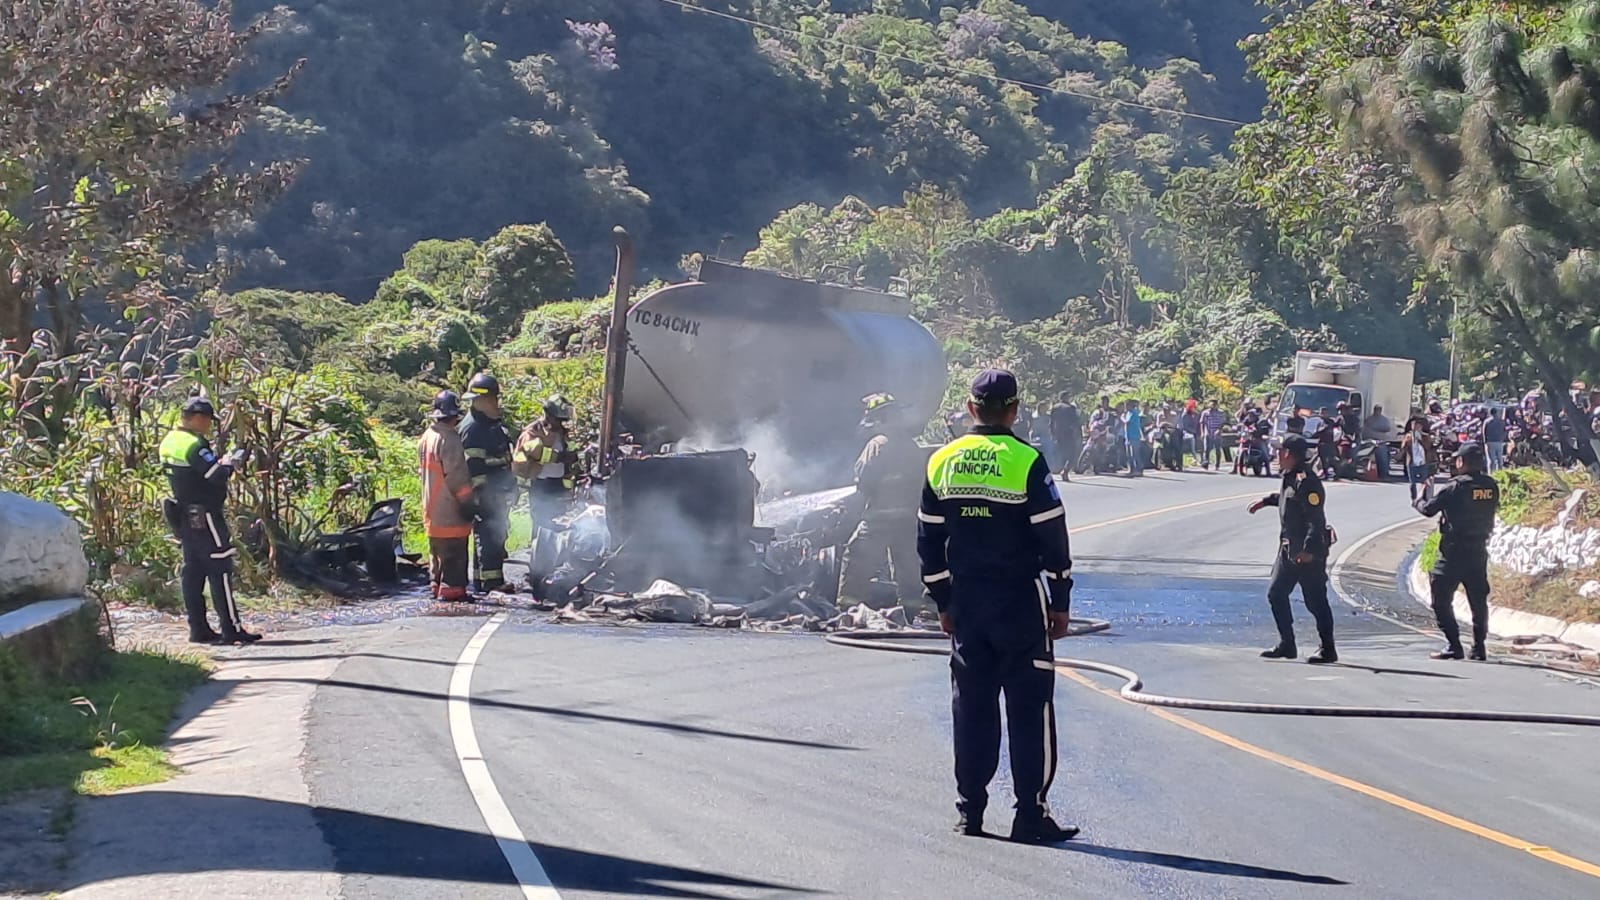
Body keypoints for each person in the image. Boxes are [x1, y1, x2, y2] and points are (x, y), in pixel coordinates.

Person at [918, 369, 1078, 844]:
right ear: (1014, 410)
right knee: (1030, 708)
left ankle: (970, 812)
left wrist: (943, 600)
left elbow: (928, 541)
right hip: (1018, 602)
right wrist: (1061, 599)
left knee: (972, 708)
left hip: (967, 603)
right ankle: (1029, 814)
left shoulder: (942, 461)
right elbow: (1052, 536)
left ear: (970, 409)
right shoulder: (1027, 461)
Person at [159, 396, 261, 645]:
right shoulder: (194, 445)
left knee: (193, 572)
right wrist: (230, 463)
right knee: (220, 569)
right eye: (207, 421)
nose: (209, 426)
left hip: (182, 515)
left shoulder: (169, 441)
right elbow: (215, 475)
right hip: (205, 516)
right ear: (197, 418)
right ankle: (231, 629)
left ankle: (199, 629)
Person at [1247, 435, 1336, 663]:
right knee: (1276, 594)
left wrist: (1308, 551)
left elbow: (1315, 519)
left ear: (1288, 454)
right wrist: (1266, 501)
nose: (1276, 455)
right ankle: (1287, 644)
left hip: (1308, 554)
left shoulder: (1307, 482)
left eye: (1280, 451)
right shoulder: (1290, 477)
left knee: (1315, 601)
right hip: (1288, 550)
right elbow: (1289, 500)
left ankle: (1328, 648)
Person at [837, 393, 926, 612]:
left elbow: (864, 481)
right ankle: (911, 611)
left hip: (879, 519)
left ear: (880, 418)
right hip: (908, 519)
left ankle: (846, 610)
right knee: (908, 568)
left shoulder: (877, 445)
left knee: (857, 558)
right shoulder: (912, 447)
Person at [1414, 442, 1499, 660]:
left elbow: (1428, 510)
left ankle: (1454, 644)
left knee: (1440, 599)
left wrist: (1419, 499)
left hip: (1453, 553)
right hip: (1478, 551)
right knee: (1478, 602)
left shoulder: (1455, 487)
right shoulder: (1491, 486)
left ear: (1461, 462)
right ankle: (1479, 648)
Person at [512, 395, 580, 592]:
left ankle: (557, 569)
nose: (561, 424)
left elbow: (573, 456)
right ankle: (538, 572)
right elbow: (534, 452)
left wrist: (572, 466)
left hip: (559, 486)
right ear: (549, 415)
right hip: (541, 486)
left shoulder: (564, 434)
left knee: (560, 528)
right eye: (559, 419)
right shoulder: (534, 431)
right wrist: (560, 457)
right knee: (541, 529)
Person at [459, 372, 516, 593]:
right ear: (481, 400)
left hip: (496, 492)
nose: (496, 403)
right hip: (487, 495)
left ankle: (483, 582)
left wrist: (510, 486)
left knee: (492, 536)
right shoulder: (473, 428)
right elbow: (474, 467)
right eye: (493, 398)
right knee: (491, 536)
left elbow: (502, 459)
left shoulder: (488, 425)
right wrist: (483, 495)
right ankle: (492, 583)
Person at [419, 390, 476, 602]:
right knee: (454, 556)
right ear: (453, 416)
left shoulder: (427, 436)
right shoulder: (449, 440)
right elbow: (457, 478)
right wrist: (468, 503)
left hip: (432, 510)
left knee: (437, 556)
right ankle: (453, 595)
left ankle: (437, 588)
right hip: (449, 510)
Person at [1401, 416, 1436, 501]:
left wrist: (1420, 440)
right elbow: (1403, 447)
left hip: (1423, 462)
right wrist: (1408, 441)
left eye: (1418, 426)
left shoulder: (1425, 437)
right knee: (1412, 483)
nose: (1416, 427)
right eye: (1414, 425)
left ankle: (1423, 497)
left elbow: (1428, 447)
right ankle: (1414, 498)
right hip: (1411, 462)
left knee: (1424, 481)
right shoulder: (1408, 436)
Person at [1050, 393, 1082, 481]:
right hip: (1068, 433)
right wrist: (1078, 433)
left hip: (1058, 434)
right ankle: (1065, 470)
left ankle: (1061, 469)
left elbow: (1052, 422)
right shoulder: (1070, 408)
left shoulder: (1055, 408)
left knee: (1062, 453)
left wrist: (1052, 433)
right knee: (1072, 453)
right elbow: (1075, 422)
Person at [1363, 405, 1393, 479]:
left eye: (1379, 409)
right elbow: (1365, 430)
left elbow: (1387, 428)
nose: (1377, 411)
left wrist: (1379, 429)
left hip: (1381, 441)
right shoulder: (1369, 419)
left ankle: (1383, 472)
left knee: (1383, 454)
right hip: (1370, 440)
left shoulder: (1384, 420)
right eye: (1376, 409)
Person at [1200, 399, 1227, 470]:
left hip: (1217, 433)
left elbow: (1223, 423)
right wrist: (1202, 432)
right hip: (1208, 433)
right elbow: (1202, 423)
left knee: (1217, 449)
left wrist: (1219, 430)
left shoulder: (1221, 413)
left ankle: (1217, 464)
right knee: (1207, 449)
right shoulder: (1205, 413)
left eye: (1214, 405)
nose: (1212, 406)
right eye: (1211, 405)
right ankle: (1206, 463)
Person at [1122, 399, 1145, 476]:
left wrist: (1122, 417)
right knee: (1129, 454)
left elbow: (1127, 422)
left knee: (1135, 454)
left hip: (1134, 436)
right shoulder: (1128, 413)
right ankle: (1131, 469)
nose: (1126, 407)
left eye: (1127, 405)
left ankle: (1139, 469)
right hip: (1128, 436)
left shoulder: (1134, 413)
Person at [1483, 407, 1508, 473]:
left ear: (1490, 413)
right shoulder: (1501, 421)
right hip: (1499, 442)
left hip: (1490, 442)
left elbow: (1484, 432)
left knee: (1491, 460)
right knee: (1500, 458)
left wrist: (1485, 442)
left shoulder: (1487, 421)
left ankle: (1491, 473)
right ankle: (1500, 473)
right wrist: (1502, 439)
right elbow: (1504, 431)